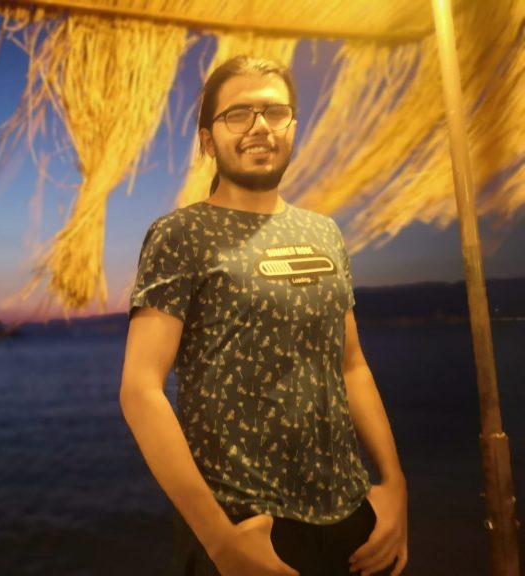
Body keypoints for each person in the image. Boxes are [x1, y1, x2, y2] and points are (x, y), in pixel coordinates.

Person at [119, 56, 408, 576]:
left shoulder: (324, 234)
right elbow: (140, 390)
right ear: (208, 140)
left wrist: (394, 485)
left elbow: (351, 366)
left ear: (292, 126)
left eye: (275, 112)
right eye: (238, 114)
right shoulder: (181, 235)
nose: (259, 127)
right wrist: (219, 540)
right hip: (249, 526)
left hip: (351, 514)